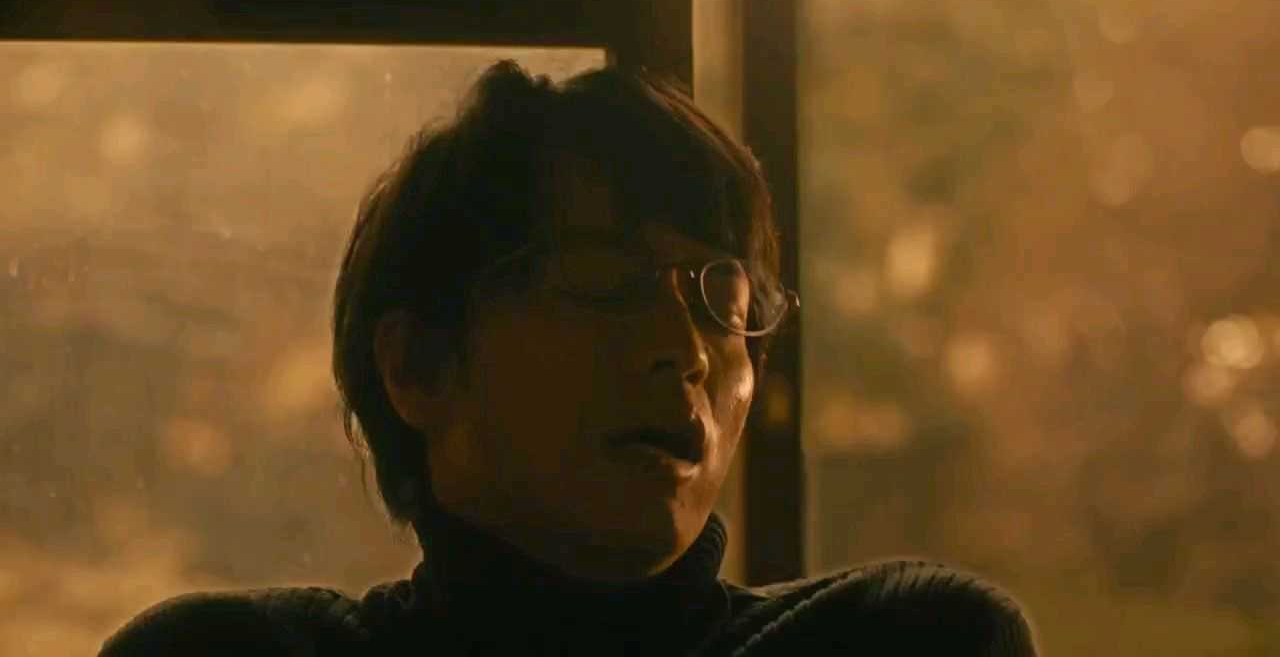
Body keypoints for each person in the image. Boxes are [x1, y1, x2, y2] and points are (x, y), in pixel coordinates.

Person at [100, 61, 1038, 656]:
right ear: (418, 367)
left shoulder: (907, 641)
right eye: (601, 282)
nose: (684, 351)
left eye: (724, 303)